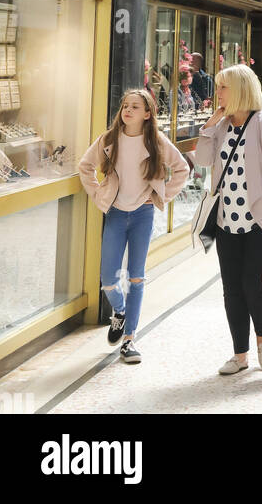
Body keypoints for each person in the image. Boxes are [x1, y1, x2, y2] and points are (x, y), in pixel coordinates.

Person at [196, 64, 262, 373]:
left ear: (239, 90)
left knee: (253, 282)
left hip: (261, 220)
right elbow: (202, 160)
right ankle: (240, 355)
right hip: (226, 220)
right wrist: (209, 127)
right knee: (231, 288)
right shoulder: (222, 125)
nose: (218, 93)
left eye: (223, 87)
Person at [79, 89, 189, 366]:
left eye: (135, 107)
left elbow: (182, 169)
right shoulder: (108, 139)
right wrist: (98, 193)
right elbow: (85, 166)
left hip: (143, 213)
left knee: (137, 277)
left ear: (147, 113)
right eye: (125, 106)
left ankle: (129, 340)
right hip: (115, 213)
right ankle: (120, 311)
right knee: (108, 280)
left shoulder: (156, 142)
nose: (127, 110)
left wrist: (160, 195)